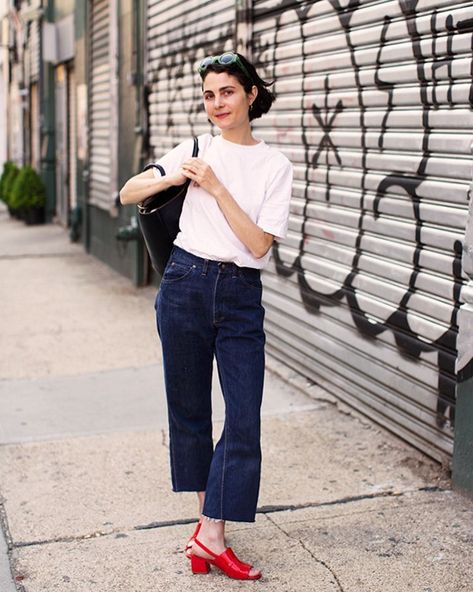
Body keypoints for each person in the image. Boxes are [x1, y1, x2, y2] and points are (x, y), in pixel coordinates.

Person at [120, 51, 293, 580]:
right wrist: (171, 178)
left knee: (243, 417)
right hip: (184, 284)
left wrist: (216, 188)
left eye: (227, 92)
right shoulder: (195, 147)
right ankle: (210, 531)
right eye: (209, 95)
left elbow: (259, 245)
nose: (217, 103)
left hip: (240, 294)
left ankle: (208, 535)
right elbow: (128, 190)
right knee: (190, 412)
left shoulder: (274, 166)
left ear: (251, 95)